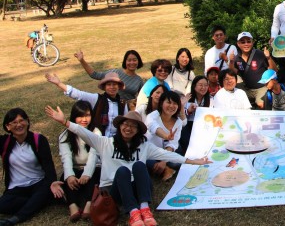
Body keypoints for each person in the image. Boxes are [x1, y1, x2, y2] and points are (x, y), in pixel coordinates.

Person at [45, 107, 211, 226]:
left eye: (133, 126)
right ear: (120, 126)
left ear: (138, 130)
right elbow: (84, 133)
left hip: (136, 189)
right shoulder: (105, 143)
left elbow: (168, 155)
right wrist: (65, 122)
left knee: (139, 165)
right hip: (114, 190)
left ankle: (145, 209)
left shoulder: (144, 146)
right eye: (125, 124)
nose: (128, 128)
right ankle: (133, 212)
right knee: (123, 170)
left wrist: (195, 161)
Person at [0, 108, 57, 226]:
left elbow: (49, 166)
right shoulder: (4, 142)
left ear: (28, 121)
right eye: (14, 122)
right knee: (2, 205)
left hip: (38, 184)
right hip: (16, 188)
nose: (19, 125)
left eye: (22, 120)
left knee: (44, 191)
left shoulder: (39, 140)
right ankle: (39, 202)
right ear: (8, 126)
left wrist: (53, 183)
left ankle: (16, 218)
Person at [55, 101, 101, 222]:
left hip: (93, 167)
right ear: (74, 117)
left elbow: (93, 155)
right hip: (76, 168)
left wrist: (87, 174)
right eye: (80, 116)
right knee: (65, 179)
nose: (84, 119)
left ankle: (89, 204)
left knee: (94, 177)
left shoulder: (96, 132)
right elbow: (66, 157)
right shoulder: (65, 135)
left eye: (87, 115)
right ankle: (73, 206)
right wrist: (70, 175)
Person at [45, 72, 128, 137]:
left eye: (114, 84)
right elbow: (78, 94)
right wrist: (59, 84)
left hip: (116, 141)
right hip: (97, 139)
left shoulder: (123, 103)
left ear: (119, 87)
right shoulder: (97, 99)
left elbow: (126, 122)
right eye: (109, 84)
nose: (112, 87)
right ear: (104, 87)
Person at [74, 49, 145, 102]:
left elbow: (143, 98)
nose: (132, 62)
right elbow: (94, 75)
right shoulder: (115, 73)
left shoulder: (139, 80)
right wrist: (82, 60)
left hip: (127, 110)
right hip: (110, 106)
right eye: (129, 60)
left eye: (134, 60)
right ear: (125, 61)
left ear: (138, 61)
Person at [229, 32, 277, 109]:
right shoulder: (237, 58)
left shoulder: (260, 54)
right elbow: (233, 72)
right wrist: (231, 62)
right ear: (238, 44)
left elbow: (274, 71)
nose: (246, 44)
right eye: (243, 42)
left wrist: (268, 58)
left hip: (261, 87)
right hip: (246, 89)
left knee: (261, 104)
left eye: (248, 41)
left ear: (252, 42)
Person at [145, 90, 183, 181]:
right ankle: (166, 169)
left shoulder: (178, 122)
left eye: (175, 103)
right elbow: (154, 128)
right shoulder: (152, 116)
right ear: (161, 103)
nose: (171, 106)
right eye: (168, 102)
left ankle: (164, 167)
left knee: (177, 163)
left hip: (166, 153)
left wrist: (163, 161)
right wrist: (166, 136)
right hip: (150, 152)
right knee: (141, 159)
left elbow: (172, 144)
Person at [179, 76, 211, 154]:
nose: (203, 87)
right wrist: (188, 111)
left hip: (205, 126)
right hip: (189, 125)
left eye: (206, 85)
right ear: (194, 86)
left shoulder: (211, 99)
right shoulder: (187, 98)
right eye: (200, 85)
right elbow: (180, 118)